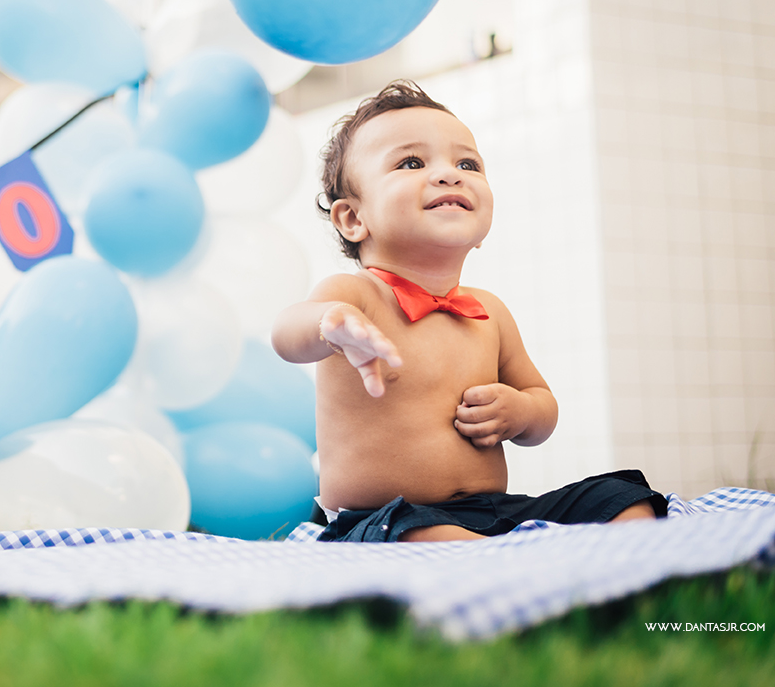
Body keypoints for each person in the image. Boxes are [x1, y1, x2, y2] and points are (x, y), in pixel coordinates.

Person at [271, 81, 666, 543]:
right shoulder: (354, 297)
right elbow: (285, 335)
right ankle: (514, 562)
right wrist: (329, 325)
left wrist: (519, 411)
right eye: (411, 163)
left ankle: (582, 557)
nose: (449, 174)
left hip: (490, 510)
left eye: (466, 163)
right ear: (354, 218)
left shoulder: (488, 312)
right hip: (386, 518)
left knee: (623, 498)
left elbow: (542, 406)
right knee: (426, 536)